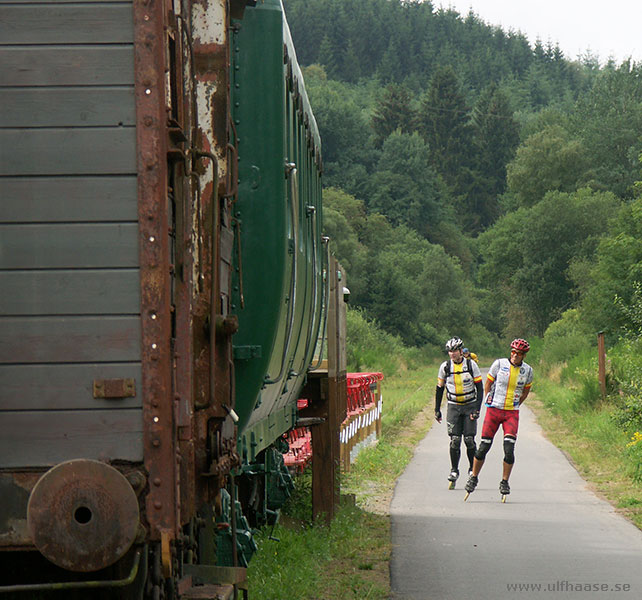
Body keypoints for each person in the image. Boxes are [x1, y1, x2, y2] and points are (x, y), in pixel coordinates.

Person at [464, 338, 533, 499]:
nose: (515, 355)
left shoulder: (528, 371)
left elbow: (525, 392)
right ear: (511, 352)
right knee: (483, 447)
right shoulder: (499, 364)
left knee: (509, 449)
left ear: (524, 356)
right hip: (494, 411)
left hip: (511, 413)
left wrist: (515, 404)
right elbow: (488, 383)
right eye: (514, 352)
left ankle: (504, 481)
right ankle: (474, 477)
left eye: (519, 354)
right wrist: (489, 399)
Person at [435, 337, 484, 488]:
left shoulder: (471, 365)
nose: (452, 354)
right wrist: (437, 409)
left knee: (469, 439)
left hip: (469, 405)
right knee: (455, 439)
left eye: (455, 351)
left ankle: (472, 469)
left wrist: (477, 409)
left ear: (461, 351)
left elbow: (480, 389)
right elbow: (439, 389)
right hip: (453, 406)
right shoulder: (445, 367)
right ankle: (454, 470)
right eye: (450, 351)